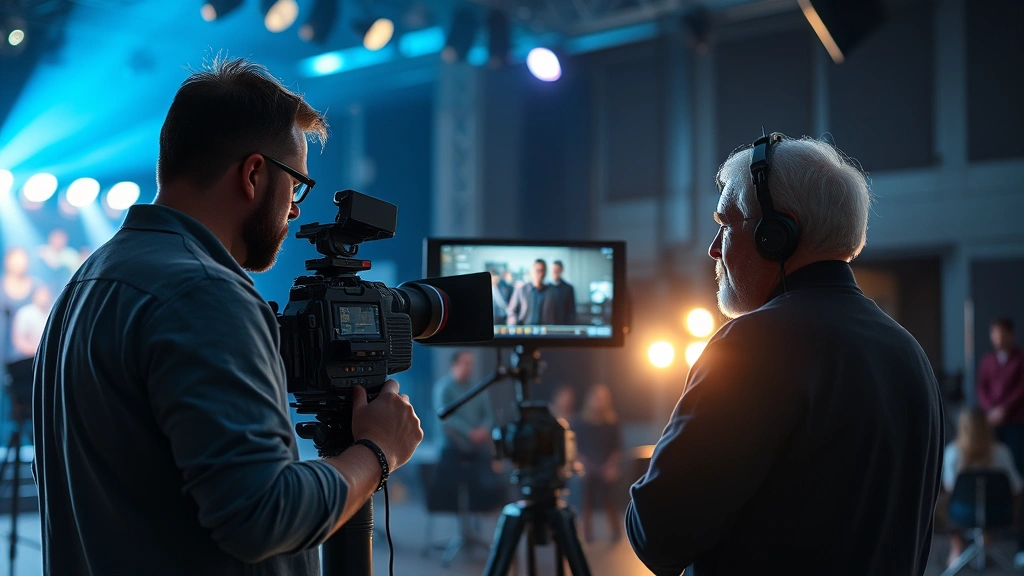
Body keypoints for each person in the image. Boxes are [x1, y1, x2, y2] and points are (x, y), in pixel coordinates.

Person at [32, 56, 424, 576]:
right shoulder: (205, 293)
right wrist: (377, 450)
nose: (295, 210)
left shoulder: (86, 282)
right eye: (297, 185)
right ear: (255, 173)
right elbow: (265, 516)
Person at [626, 134, 943, 575]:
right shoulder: (909, 353)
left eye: (726, 223)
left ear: (777, 234)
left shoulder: (752, 344)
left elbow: (657, 536)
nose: (714, 249)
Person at [941, 407, 1022, 567]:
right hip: (999, 512)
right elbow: (1017, 488)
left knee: (943, 501)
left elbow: (950, 489)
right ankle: (985, 539)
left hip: (962, 513)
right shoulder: (1002, 452)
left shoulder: (952, 453)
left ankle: (956, 547)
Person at [432, 350, 502, 508]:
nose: (469, 367)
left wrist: (483, 429)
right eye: (466, 363)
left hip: (477, 448)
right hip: (452, 449)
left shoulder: (477, 388)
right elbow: (446, 417)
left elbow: (488, 415)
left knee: (491, 480)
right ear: (455, 364)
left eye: (471, 363)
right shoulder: (444, 388)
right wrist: (469, 432)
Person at [573, 384, 623, 543]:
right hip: (587, 467)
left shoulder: (612, 423)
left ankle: (616, 531)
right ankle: (586, 533)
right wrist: (584, 465)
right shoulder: (580, 422)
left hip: (605, 467)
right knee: (585, 497)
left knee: (610, 498)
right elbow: (576, 448)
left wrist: (610, 466)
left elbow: (617, 448)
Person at [976, 317, 1024, 475]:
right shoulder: (988, 360)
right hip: (992, 420)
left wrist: (1004, 409)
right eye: (995, 335)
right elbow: (982, 387)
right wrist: (990, 409)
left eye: (1002, 334)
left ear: (1011, 335)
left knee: (1016, 460)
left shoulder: (1020, 359)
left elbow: (1020, 389)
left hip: (1015, 420)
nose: (999, 339)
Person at [506, 259, 555, 326]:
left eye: (542, 271)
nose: (540, 274)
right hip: (525, 330)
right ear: (532, 272)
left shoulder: (551, 291)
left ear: (545, 272)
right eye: (537, 271)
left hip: (546, 331)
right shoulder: (521, 290)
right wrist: (513, 325)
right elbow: (511, 311)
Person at [11, 285, 52, 359]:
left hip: (47, 357)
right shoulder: (25, 313)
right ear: (35, 295)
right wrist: (35, 351)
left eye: (46, 295)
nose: (44, 298)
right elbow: (19, 340)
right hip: (27, 358)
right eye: (41, 294)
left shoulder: (52, 313)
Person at [550, 260, 577, 325]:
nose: (555, 272)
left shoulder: (568, 288)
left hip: (563, 324)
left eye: (557, 270)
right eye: (553, 269)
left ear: (561, 270)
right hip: (549, 324)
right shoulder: (547, 288)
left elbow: (571, 311)